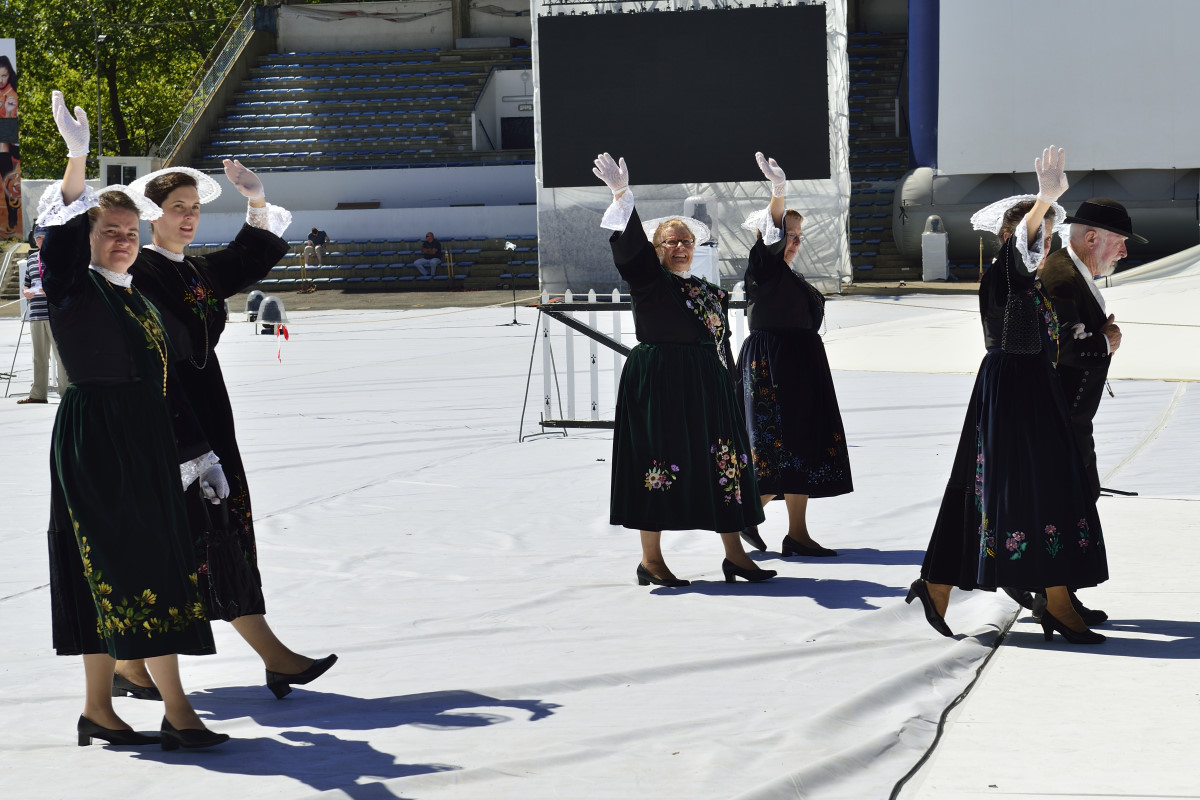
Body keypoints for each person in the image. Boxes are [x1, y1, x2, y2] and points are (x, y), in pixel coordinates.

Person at [39, 90, 229, 749]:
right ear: (88, 240)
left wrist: (195, 451)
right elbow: (58, 240)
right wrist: (77, 160)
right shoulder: (74, 286)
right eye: (108, 233)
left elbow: (162, 384)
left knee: (119, 567)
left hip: (142, 438)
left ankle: (99, 709)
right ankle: (178, 712)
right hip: (98, 443)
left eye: (128, 232)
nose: (122, 242)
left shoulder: (136, 298)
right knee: (137, 564)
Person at [114, 160, 336, 700]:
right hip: (168, 415)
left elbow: (246, 256)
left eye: (194, 208)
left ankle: (133, 663)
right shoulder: (137, 272)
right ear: (151, 214)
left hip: (209, 409)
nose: (189, 217)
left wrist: (255, 201)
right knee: (195, 534)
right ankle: (265, 656)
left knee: (217, 529)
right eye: (177, 208)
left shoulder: (196, 270)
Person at [910, 147, 1109, 645]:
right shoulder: (1006, 269)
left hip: (1030, 391)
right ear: (1011, 238)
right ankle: (1051, 600)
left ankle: (943, 584)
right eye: (1038, 236)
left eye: (1049, 237)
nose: (1044, 245)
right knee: (1028, 491)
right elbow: (1023, 248)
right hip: (1013, 394)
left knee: (1028, 491)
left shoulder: (1030, 283)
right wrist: (1043, 200)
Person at [593, 152, 774, 587]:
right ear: (657, 250)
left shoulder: (709, 291)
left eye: (686, 242)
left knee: (723, 462)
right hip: (659, 382)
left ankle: (736, 556)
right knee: (656, 462)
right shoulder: (649, 281)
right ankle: (651, 560)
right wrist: (622, 196)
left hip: (707, 383)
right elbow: (632, 254)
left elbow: (720, 343)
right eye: (670, 242)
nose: (680, 248)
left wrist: (729, 386)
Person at [737, 153, 852, 557]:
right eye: (789, 235)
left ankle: (797, 534)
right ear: (768, 237)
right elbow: (772, 234)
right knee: (776, 446)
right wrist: (778, 192)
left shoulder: (790, 274)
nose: (796, 242)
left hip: (800, 364)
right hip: (774, 365)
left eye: (800, 235)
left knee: (801, 444)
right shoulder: (763, 267)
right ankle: (747, 515)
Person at [1031, 199, 1141, 624]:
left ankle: (1059, 596)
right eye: (1120, 242)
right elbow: (1064, 347)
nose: (1125, 252)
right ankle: (1052, 598)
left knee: (1077, 499)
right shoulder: (1061, 276)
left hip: (1070, 417)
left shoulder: (1072, 271)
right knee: (1066, 504)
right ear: (1092, 238)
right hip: (1057, 417)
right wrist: (1105, 341)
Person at [17, 227, 70, 404]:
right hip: (36, 313)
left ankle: (66, 393)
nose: (40, 241)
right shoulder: (32, 259)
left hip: (55, 313)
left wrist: (52, 289)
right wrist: (26, 292)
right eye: (38, 238)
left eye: (43, 237)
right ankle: (38, 394)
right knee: (39, 356)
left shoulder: (60, 258)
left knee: (60, 356)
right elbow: (26, 283)